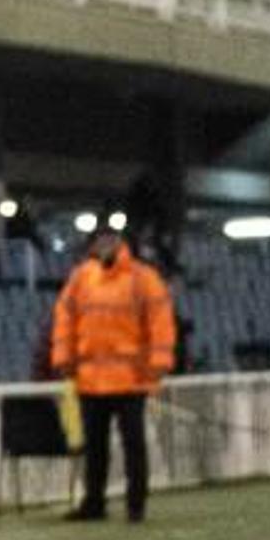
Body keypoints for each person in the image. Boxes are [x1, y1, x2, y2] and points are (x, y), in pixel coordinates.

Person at [52, 224, 176, 522]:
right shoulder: (81, 278)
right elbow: (65, 320)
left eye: (110, 240)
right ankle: (94, 502)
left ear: (120, 242)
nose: (104, 245)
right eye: (100, 240)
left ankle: (136, 505)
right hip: (91, 379)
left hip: (129, 379)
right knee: (95, 446)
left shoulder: (143, 278)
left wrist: (157, 366)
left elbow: (160, 323)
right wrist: (64, 359)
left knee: (133, 444)